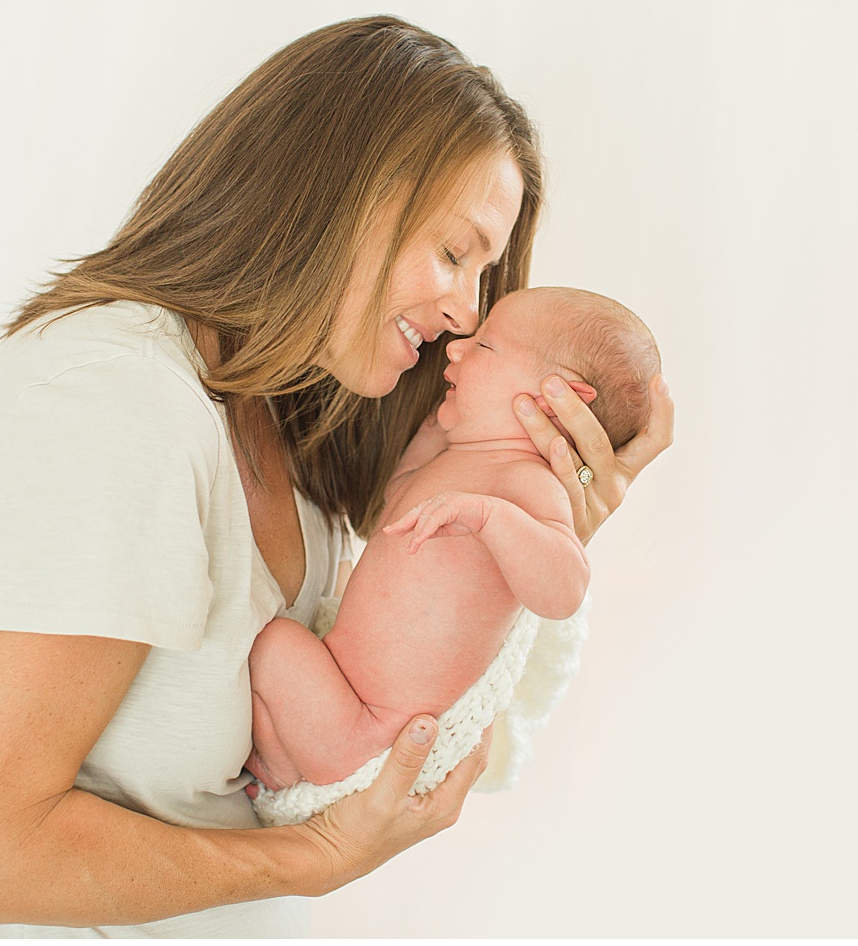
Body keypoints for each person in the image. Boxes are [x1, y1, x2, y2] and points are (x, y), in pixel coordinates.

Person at [0, 16, 673, 937]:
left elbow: (405, 700)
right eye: (454, 254)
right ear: (334, 193)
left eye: (483, 281)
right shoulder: (111, 409)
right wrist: (317, 861)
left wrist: (542, 527)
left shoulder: (288, 423)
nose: (462, 315)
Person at [245, 287, 659, 811]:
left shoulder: (525, 485)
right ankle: (283, 764)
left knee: (272, 641)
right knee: (280, 648)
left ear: (560, 401)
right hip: (343, 700)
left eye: (485, 348)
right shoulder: (458, 460)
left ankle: (283, 766)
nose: (457, 348)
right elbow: (390, 512)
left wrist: (491, 518)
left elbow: (565, 591)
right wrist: (425, 441)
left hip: (370, 725)